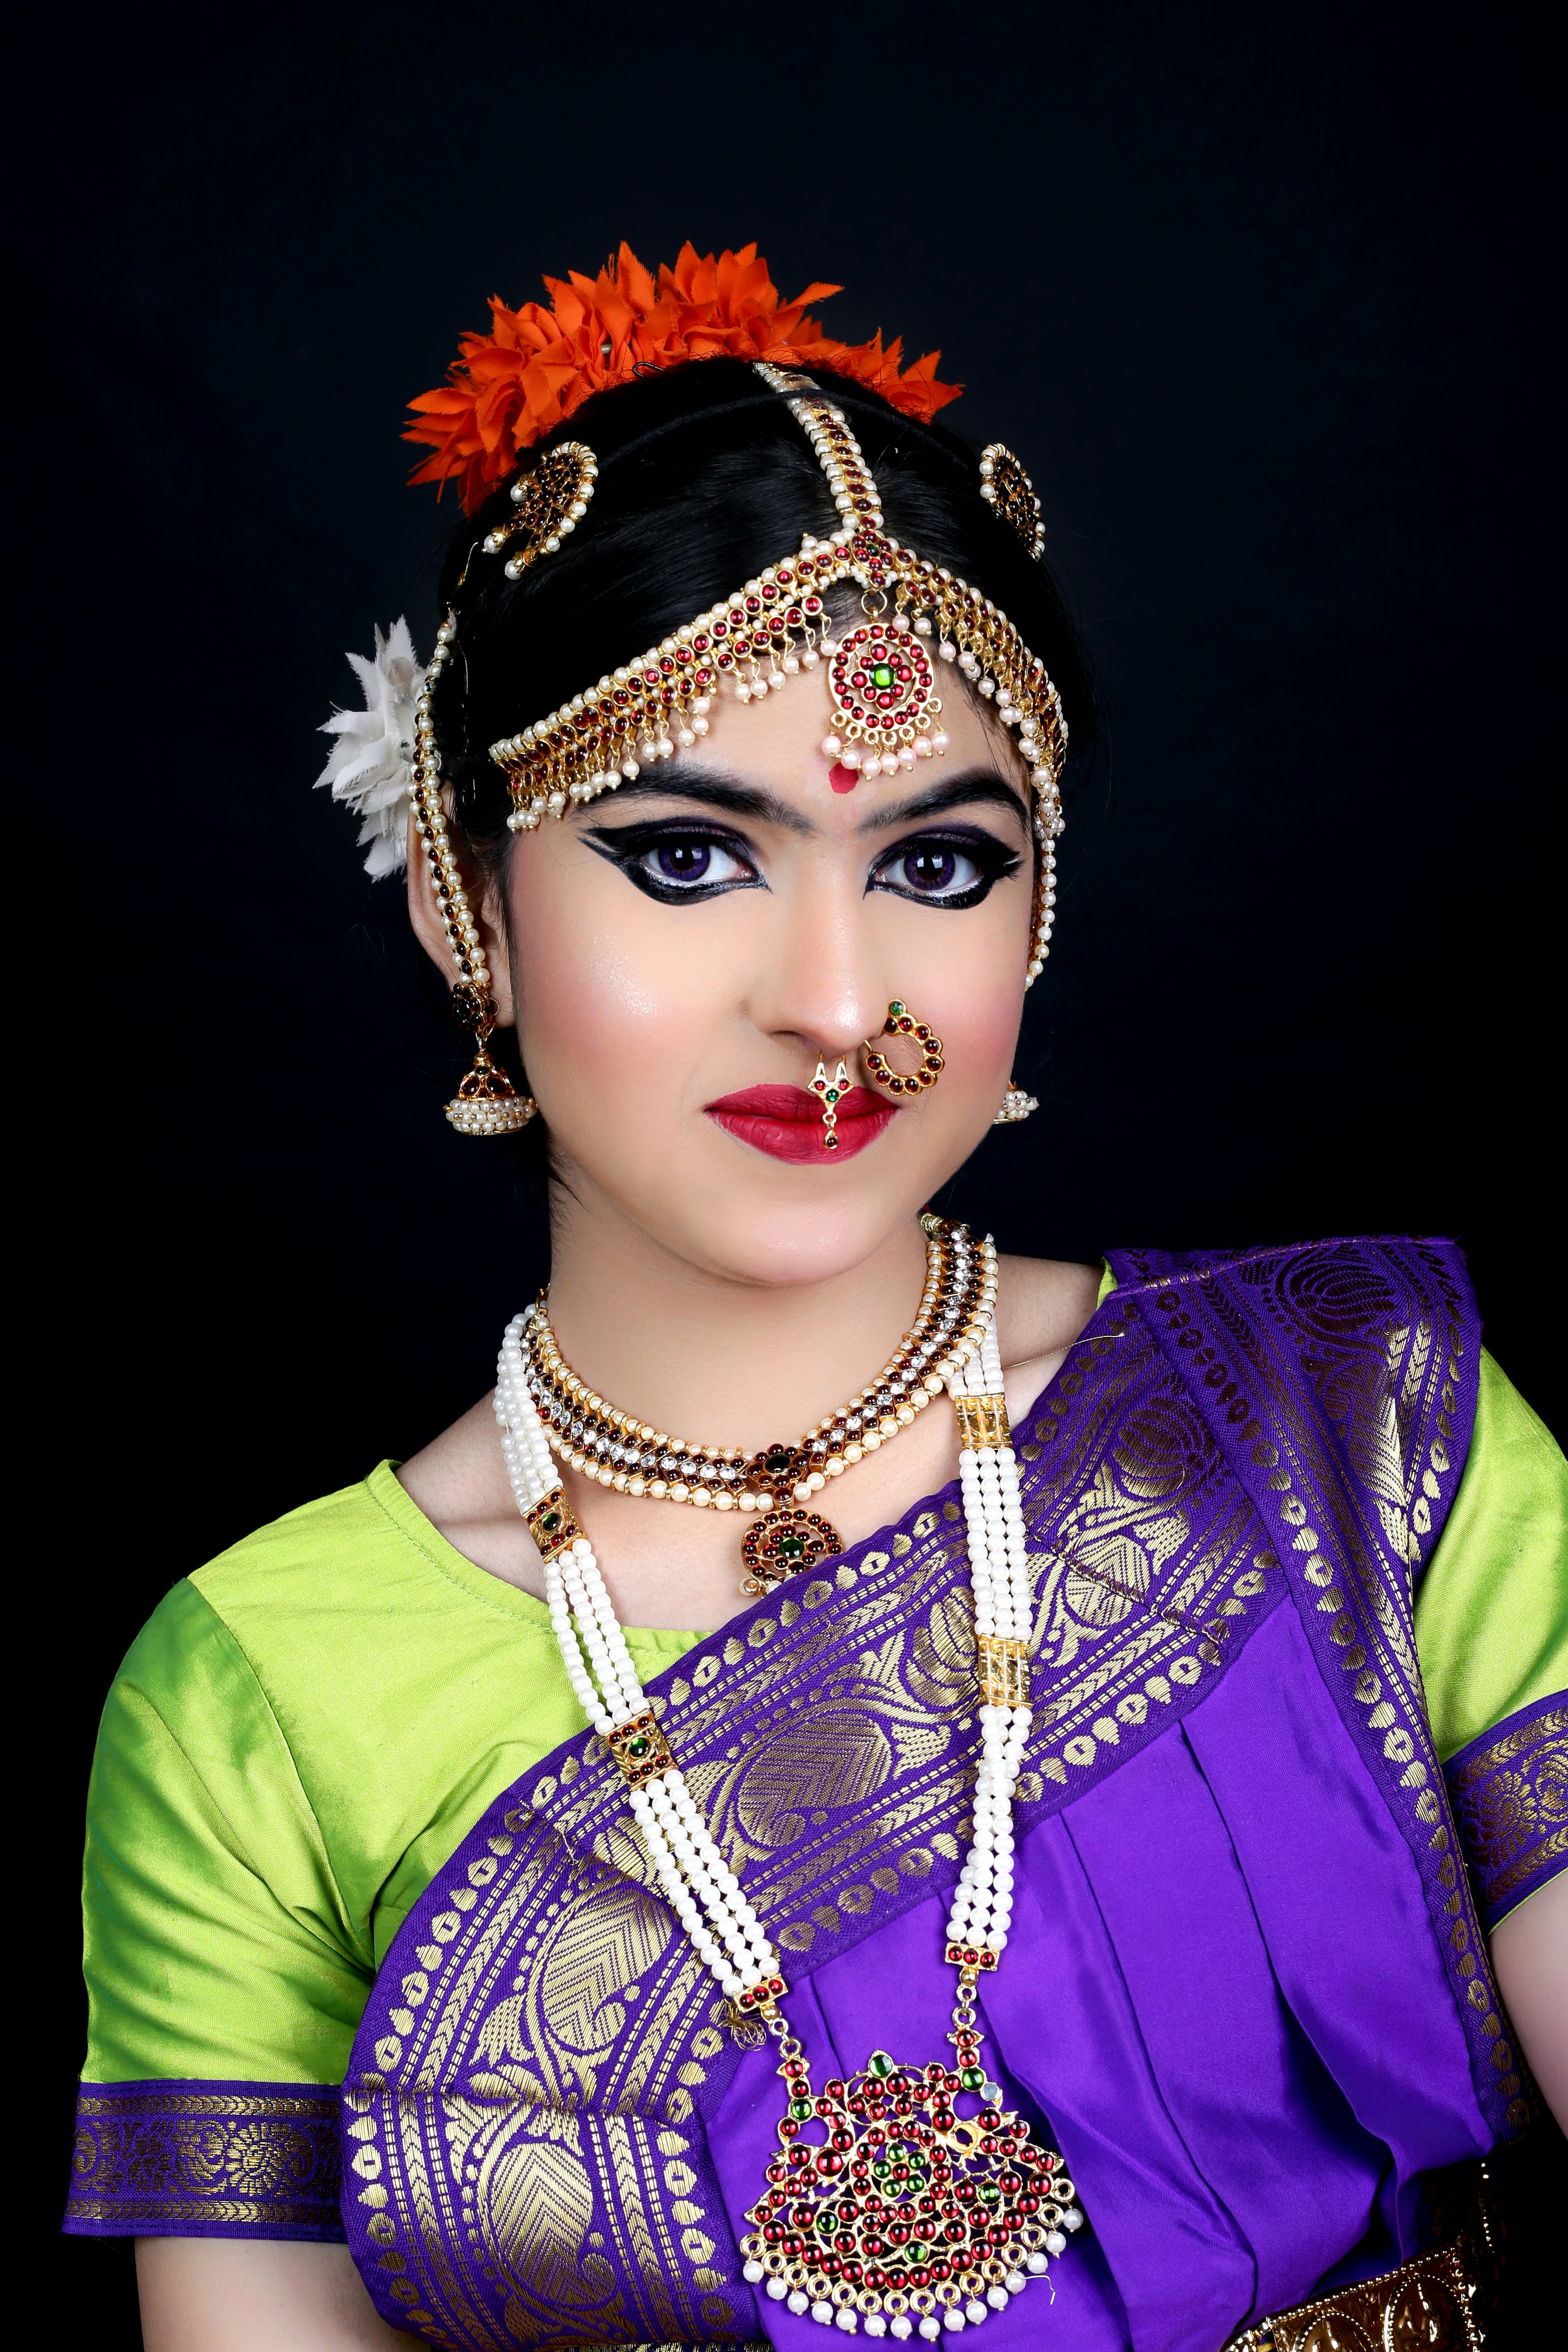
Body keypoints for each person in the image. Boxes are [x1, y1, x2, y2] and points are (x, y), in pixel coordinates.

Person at [65, 244, 1566, 2352]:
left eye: (938, 865)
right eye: (692, 856)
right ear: (465, 899)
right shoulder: (261, 1704)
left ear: (1037, 915)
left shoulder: (1351, 1433)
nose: (840, 1004)